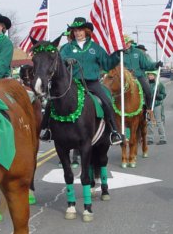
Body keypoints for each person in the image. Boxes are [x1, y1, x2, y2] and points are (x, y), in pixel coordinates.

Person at [40, 17, 123, 145]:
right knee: (52, 101)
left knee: (106, 101)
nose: (78, 33)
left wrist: (117, 55)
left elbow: (107, 64)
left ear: (86, 31)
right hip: (72, 84)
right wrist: (66, 61)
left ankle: (114, 131)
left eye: (80, 30)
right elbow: (59, 62)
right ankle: (47, 129)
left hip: (92, 83)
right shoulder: (67, 48)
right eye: (75, 31)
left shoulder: (95, 48)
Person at [122, 35, 161, 114]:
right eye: (125, 43)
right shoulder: (119, 53)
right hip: (125, 78)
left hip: (139, 76)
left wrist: (156, 64)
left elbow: (146, 64)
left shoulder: (138, 52)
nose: (127, 45)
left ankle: (148, 109)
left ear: (130, 43)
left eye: (128, 43)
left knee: (148, 91)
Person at [146, 71, 167, 145]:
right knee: (149, 122)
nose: (150, 76)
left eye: (152, 75)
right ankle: (150, 139)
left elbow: (164, 94)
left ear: (155, 76)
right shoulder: (146, 84)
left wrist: (158, 96)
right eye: (149, 75)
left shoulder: (159, 84)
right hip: (148, 106)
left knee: (159, 122)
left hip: (157, 105)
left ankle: (163, 138)